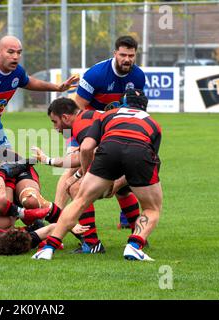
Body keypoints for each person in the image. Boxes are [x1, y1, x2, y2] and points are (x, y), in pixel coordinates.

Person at [33, 89, 162, 261]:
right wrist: (117, 182)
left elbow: (87, 149)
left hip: (109, 151)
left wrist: (87, 175)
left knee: (79, 196)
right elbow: (152, 159)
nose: (55, 127)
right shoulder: (153, 124)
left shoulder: (98, 117)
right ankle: (135, 244)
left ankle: (52, 247)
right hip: (138, 154)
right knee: (151, 208)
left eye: (54, 122)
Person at [72, 35, 146, 228]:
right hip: (90, 126)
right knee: (72, 172)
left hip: (116, 129)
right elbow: (78, 107)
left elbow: (137, 109)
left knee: (124, 168)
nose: (127, 59)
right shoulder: (96, 74)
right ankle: (59, 214)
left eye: (131, 55)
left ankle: (127, 218)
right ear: (115, 53)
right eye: (123, 55)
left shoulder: (138, 76)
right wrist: (80, 134)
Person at [0, 35, 79, 148]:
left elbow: (29, 81)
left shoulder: (17, 72)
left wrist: (57, 87)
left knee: (8, 163)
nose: (15, 57)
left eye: (19, 53)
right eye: (11, 52)